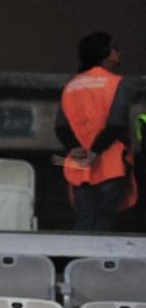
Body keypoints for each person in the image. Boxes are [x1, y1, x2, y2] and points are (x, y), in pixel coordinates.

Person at [56, 32, 137, 232]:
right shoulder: (118, 83)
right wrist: (95, 151)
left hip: (79, 165)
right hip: (110, 164)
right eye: (114, 48)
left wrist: (78, 149)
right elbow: (116, 124)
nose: (118, 52)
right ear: (105, 53)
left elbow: (61, 126)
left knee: (84, 219)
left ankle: (80, 262)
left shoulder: (71, 85)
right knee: (104, 221)